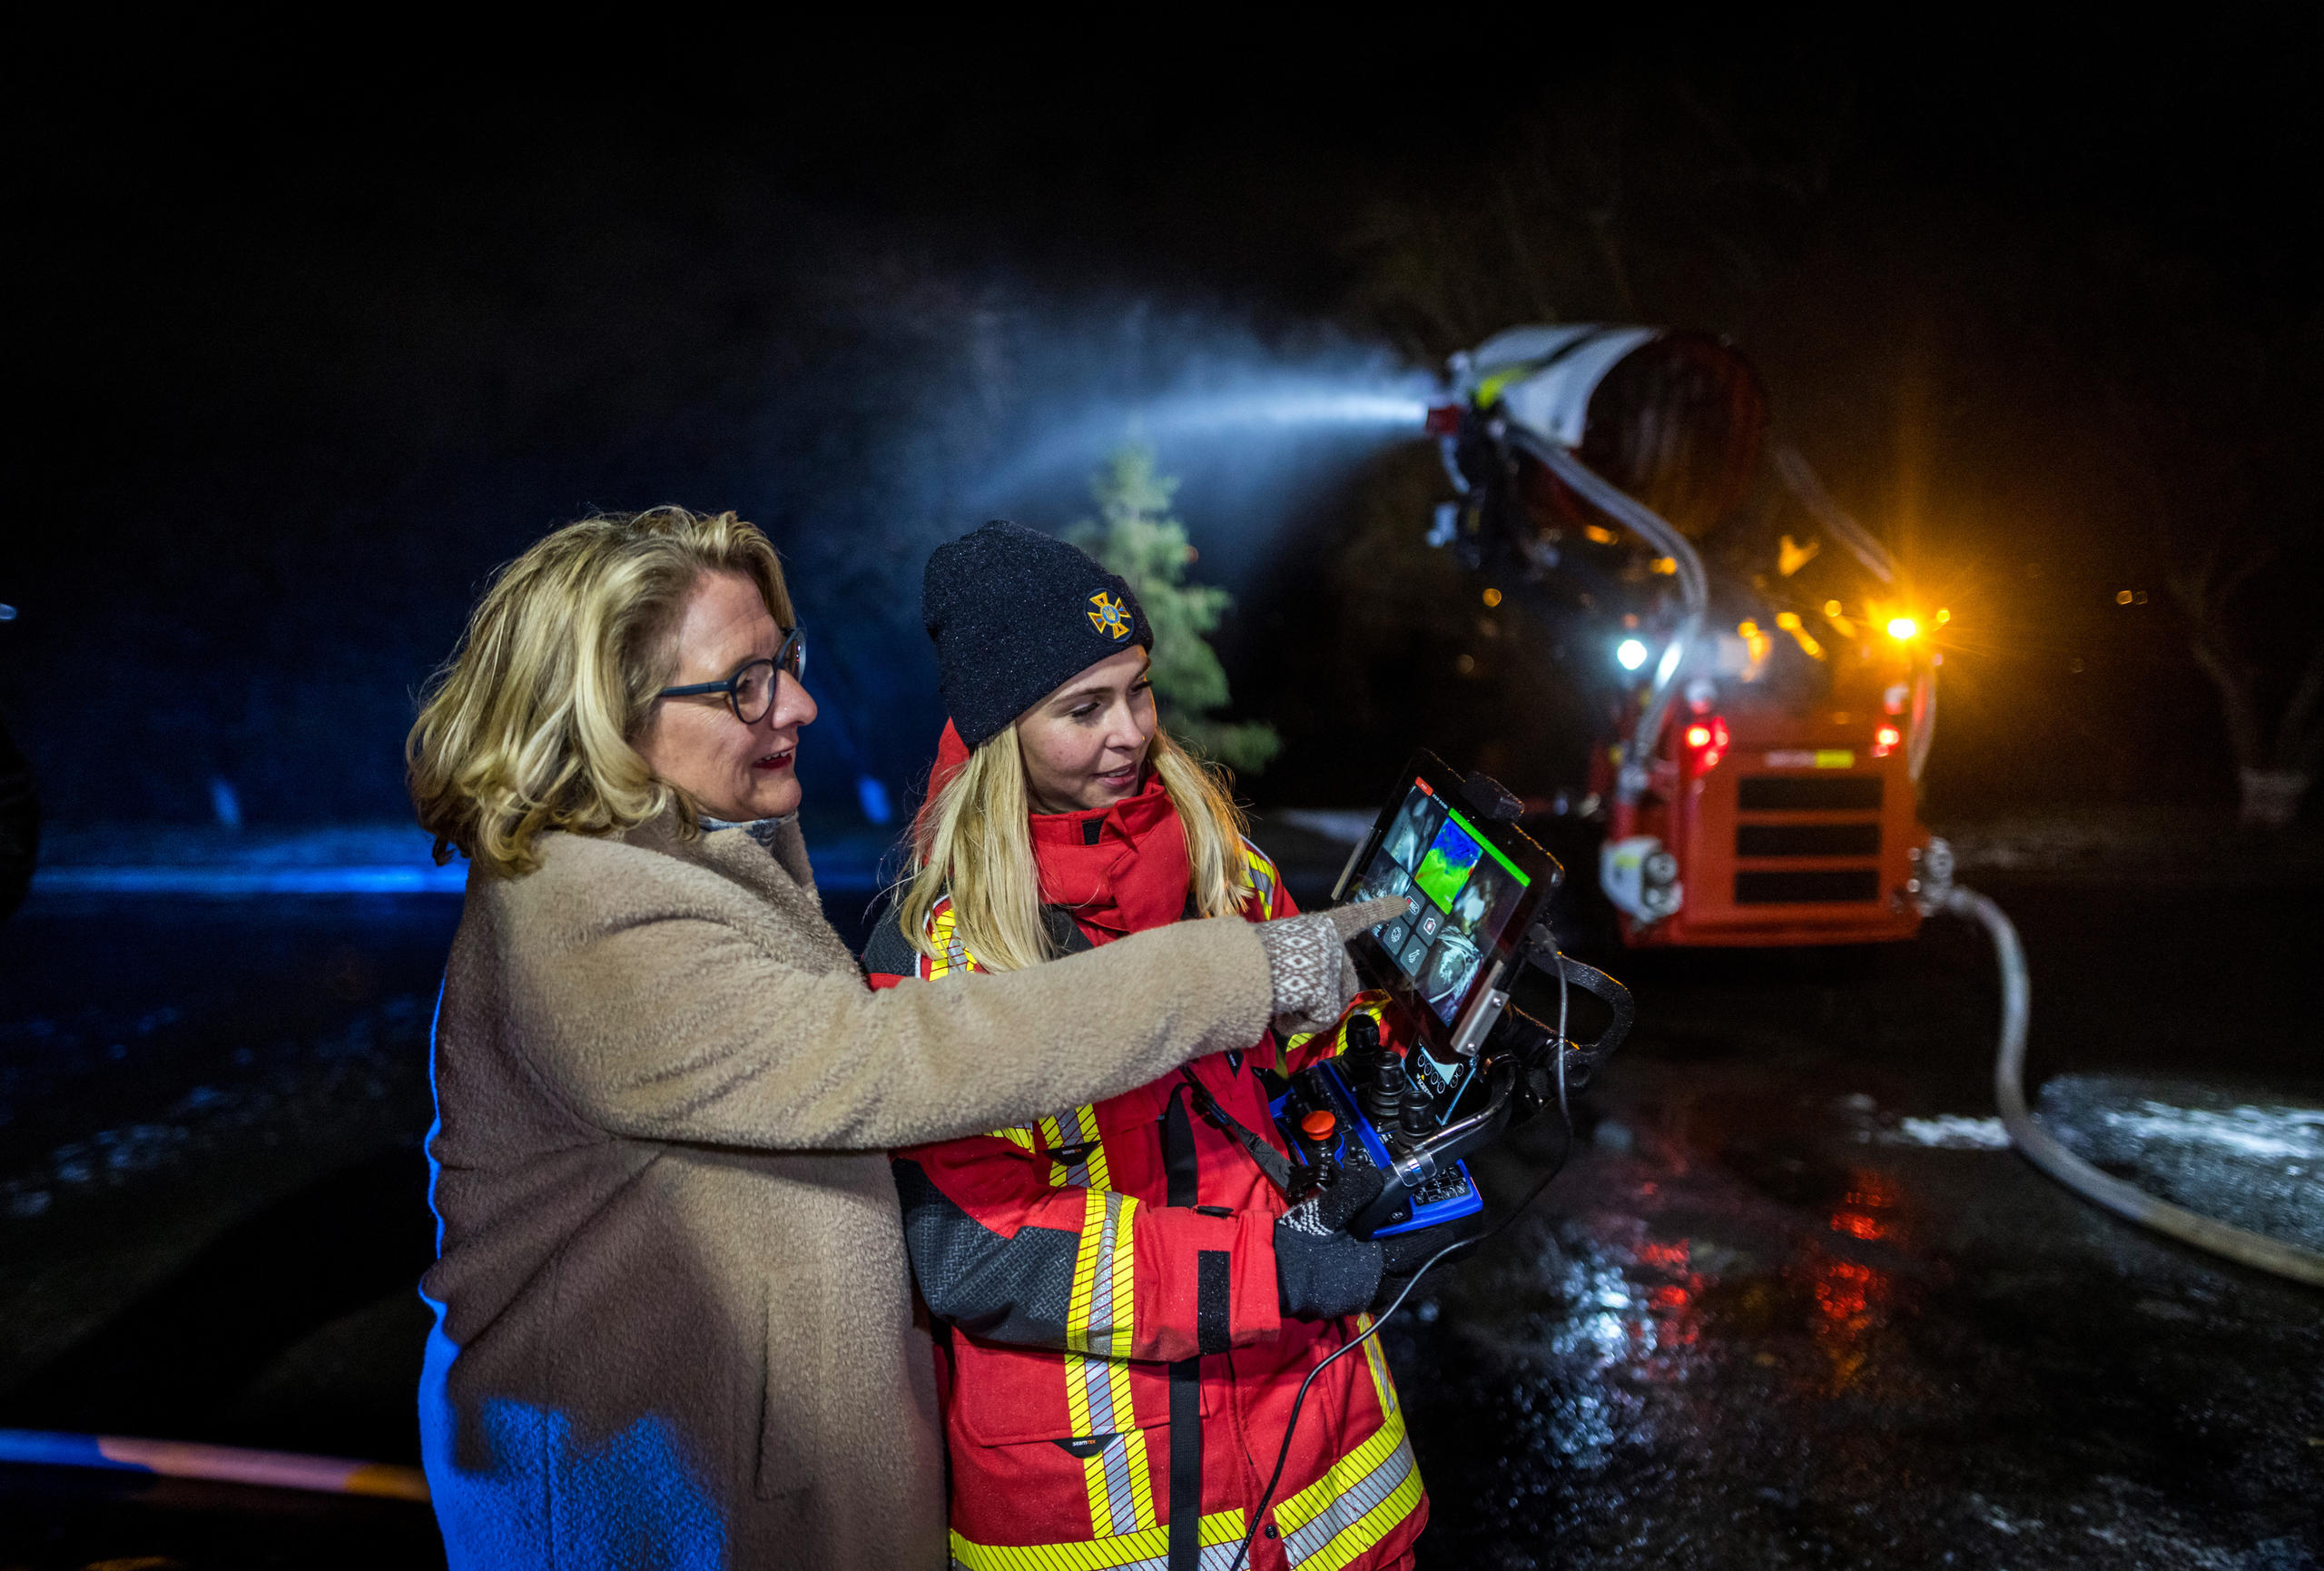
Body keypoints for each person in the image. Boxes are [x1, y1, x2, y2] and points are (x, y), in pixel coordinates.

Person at [406, 508, 1400, 1570]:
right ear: (605, 715)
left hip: (757, 1478)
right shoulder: (585, 917)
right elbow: (891, 1061)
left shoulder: (687, 848)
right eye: (744, 682)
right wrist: (1246, 971)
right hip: (657, 1506)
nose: (800, 700)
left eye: (784, 660)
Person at [864, 520, 1438, 1571]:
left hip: (1326, 1463)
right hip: (1101, 1511)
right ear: (1000, 735)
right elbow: (982, 1248)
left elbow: (1302, 1085)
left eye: (1137, 688)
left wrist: (1412, 1060)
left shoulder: (1229, 868)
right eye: (1081, 709)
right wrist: (1269, 1270)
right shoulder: (935, 953)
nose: (1128, 732)